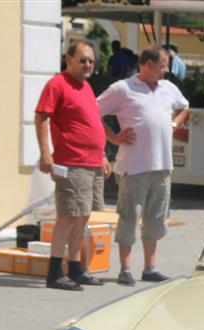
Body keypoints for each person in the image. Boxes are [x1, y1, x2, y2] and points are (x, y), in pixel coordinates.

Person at [98, 45, 188, 286]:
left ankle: (150, 267)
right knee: (129, 216)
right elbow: (93, 112)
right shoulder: (122, 88)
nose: (167, 70)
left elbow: (185, 107)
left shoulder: (167, 88)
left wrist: (173, 125)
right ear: (147, 64)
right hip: (134, 166)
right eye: (163, 65)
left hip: (162, 166)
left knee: (156, 218)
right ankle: (125, 269)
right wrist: (114, 138)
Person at [34, 40, 111, 291]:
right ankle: (55, 272)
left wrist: (102, 155)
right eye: (83, 60)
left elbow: (91, 124)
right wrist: (46, 153)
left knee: (83, 217)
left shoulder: (86, 87)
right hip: (72, 163)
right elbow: (42, 117)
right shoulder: (58, 84)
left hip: (91, 163)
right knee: (68, 217)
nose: (88, 64)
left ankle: (76, 268)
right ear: (69, 59)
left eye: (91, 60)